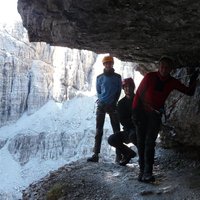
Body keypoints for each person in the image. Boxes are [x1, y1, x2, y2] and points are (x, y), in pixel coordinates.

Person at [132, 56, 199, 183]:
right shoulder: (150, 77)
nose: (164, 69)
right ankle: (142, 171)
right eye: (162, 66)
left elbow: (188, 91)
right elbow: (138, 94)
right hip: (142, 113)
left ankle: (147, 172)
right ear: (159, 66)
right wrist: (135, 113)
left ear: (170, 69)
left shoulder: (172, 82)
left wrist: (193, 79)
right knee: (141, 142)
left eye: (167, 67)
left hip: (155, 115)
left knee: (149, 143)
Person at [87, 55, 122, 162]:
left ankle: (119, 154)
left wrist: (113, 102)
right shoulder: (99, 78)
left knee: (116, 131)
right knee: (99, 130)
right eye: (106, 63)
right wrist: (104, 101)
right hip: (102, 105)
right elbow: (99, 92)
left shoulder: (117, 77)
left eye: (110, 63)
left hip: (111, 105)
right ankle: (96, 154)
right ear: (104, 64)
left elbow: (118, 91)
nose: (108, 65)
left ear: (112, 64)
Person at [108, 78, 137, 166]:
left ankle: (144, 157)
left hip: (140, 129)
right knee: (112, 139)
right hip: (128, 130)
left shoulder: (139, 100)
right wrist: (133, 120)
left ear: (133, 87)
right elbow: (123, 122)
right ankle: (128, 153)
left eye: (129, 86)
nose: (128, 88)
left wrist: (133, 120)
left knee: (135, 135)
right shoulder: (121, 103)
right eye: (125, 87)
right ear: (123, 89)